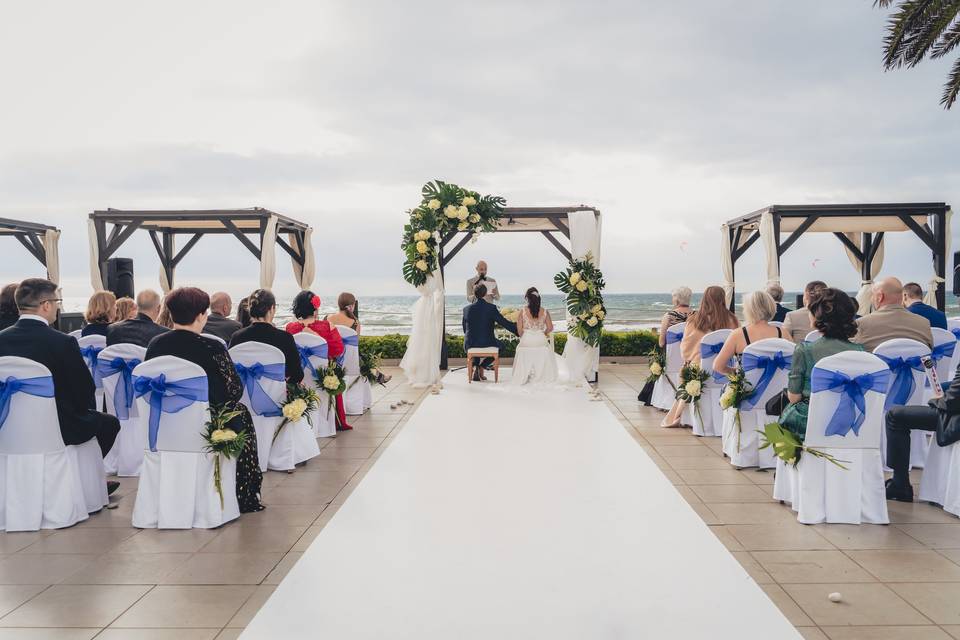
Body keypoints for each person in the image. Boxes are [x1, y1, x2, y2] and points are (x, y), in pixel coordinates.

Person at [145, 287, 263, 512]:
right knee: (240, 413)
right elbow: (234, 390)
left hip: (164, 426)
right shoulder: (213, 346)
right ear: (200, 315)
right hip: (206, 426)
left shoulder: (155, 345)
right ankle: (243, 494)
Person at [0, 279, 120, 495]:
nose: (58, 307)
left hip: (7, 424)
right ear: (46, 305)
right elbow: (83, 391)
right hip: (57, 425)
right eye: (58, 301)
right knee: (108, 423)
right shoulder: (61, 342)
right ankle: (80, 477)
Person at [779, 288, 864, 441]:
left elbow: (794, 398)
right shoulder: (860, 351)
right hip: (849, 420)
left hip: (812, 422)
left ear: (818, 316)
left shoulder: (805, 350)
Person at [659, 286, 740, 426]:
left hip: (700, 371)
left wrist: (689, 360)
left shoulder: (695, 319)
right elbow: (739, 347)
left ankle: (680, 415)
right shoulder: (733, 319)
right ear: (723, 299)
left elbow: (685, 349)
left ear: (704, 299)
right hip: (727, 369)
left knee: (686, 370)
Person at [285, 291, 351, 430]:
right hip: (322, 377)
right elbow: (338, 350)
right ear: (315, 308)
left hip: (299, 378)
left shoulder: (290, 328)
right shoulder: (327, 326)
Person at [229, 289, 304, 384]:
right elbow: (297, 375)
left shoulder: (237, 337)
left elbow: (230, 372)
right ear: (272, 308)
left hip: (244, 396)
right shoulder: (285, 338)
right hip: (277, 397)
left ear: (250, 308)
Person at [713, 290, 785, 377]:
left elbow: (718, 366)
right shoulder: (783, 332)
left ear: (749, 311)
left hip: (747, 389)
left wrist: (739, 373)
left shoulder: (738, 335)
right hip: (778, 389)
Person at [326, 292, 391, 384]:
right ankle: (376, 374)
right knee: (360, 355)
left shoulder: (326, 318)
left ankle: (377, 374)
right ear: (352, 306)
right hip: (349, 359)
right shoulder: (355, 323)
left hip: (329, 356)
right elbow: (355, 344)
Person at [854, 277, 934, 351]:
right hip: (914, 366)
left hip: (878, 366)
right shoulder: (924, 323)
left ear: (880, 297)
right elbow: (930, 354)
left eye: (872, 295)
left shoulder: (861, 324)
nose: (871, 299)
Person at [462, 282, 518, 381]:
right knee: (502, 346)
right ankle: (482, 366)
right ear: (485, 294)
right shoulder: (491, 308)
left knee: (475, 340)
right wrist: (517, 330)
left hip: (469, 343)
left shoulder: (466, 309)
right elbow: (503, 322)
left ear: (474, 294)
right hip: (487, 342)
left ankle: (475, 366)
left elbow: (464, 329)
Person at [511, 287, 557, 385]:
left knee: (521, 347)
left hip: (527, 339)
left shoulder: (522, 312)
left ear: (527, 298)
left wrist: (527, 336)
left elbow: (519, 332)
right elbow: (550, 327)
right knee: (545, 348)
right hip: (540, 339)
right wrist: (543, 334)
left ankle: (524, 374)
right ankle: (541, 375)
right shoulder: (545, 311)